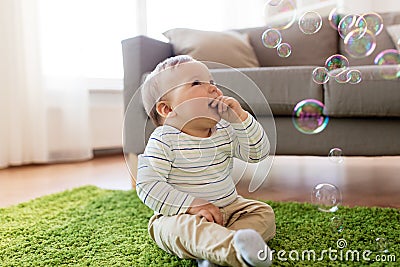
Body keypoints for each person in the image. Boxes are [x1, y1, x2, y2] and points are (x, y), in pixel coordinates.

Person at [136, 55, 275, 267]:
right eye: (196, 83)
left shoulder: (225, 131)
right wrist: (191, 205)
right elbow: (147, 185)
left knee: (263, 213)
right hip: (181, 215)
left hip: (230, 208)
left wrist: (242, 118)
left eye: (212, 82)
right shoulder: (164, 139)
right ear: (168, 109)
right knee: (172, 228)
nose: (213, 89)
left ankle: (217, 250)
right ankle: (230, 250)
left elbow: (257, 153)